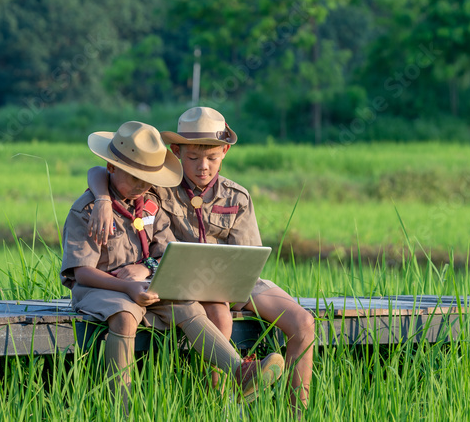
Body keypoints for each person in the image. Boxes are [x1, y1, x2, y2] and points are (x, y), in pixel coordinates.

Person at [86, 108, 315, 414]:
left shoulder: (237, 196)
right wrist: (102, 199)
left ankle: (296, 412)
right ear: (176, 151)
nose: (202, 167)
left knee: (303, 322)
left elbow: (249, 257)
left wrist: (236, 285)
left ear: (225, 151)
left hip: (238, 281)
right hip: (189, 281)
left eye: (212, 158)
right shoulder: (159, 187)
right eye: (192, 158)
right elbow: (102, 171)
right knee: (219, 317)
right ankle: (217, 406)